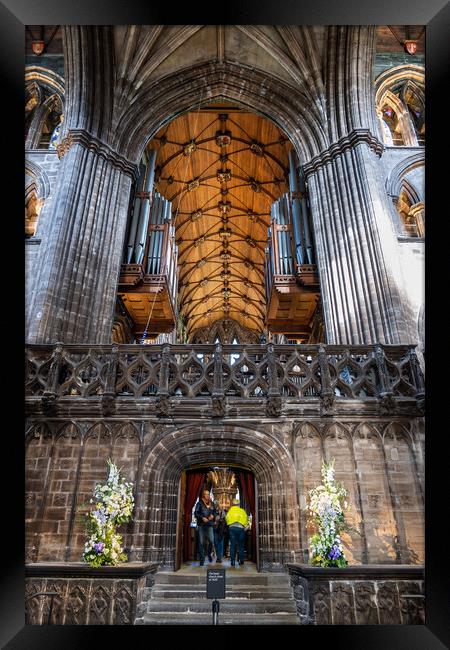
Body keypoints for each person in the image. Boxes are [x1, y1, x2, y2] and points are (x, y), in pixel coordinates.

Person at [194, 489, 216, 566]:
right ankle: (202, 559)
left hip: (209, 525)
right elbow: (196, 513)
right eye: (206, 494)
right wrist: (202, 517)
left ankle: (209, 554)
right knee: (201, 542)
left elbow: (215, 512)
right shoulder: (199, 503)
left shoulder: (212, 504)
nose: (207, 496)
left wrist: (213, 516)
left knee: (212, 542)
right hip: (201, 525)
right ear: (203, 495)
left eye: (208, 494)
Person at [225, 497, 248, 566]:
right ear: (238, 504)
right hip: (241, 528)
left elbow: (226, 519)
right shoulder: (242, 511)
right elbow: (246, 519)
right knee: (241, 545)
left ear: (232, 504)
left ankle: (232, 561)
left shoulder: (230, 511)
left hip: (232, 528)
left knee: (232, 545)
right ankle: (241, 561)